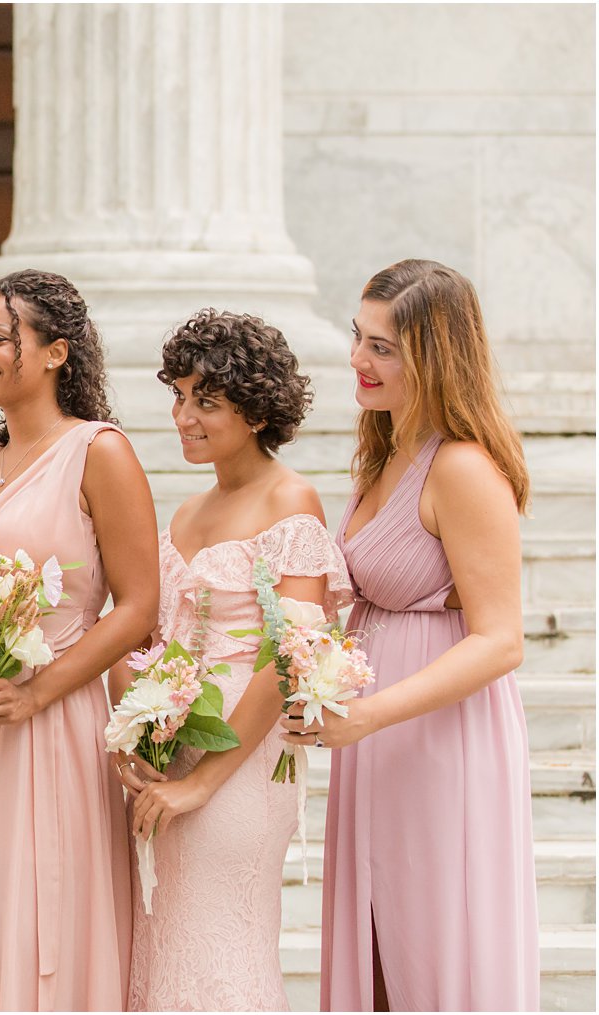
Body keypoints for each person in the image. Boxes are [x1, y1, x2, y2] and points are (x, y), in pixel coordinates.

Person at [284, 259, 539, 1011]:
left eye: (384, 348)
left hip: (439, 738)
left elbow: (501, 640)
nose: (359, 361)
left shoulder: (460, 468)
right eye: (358, 338)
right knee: (381, 942)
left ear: (436, 354)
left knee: (431, 944)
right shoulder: (384, 451)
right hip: (377, 739)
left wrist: (367, 713)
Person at [0, 269, 159, 1010]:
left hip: (50, 716)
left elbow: (139, 604)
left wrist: (36, 691)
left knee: (37, 914)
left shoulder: (99, 451)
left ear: (56, 353)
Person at [113, 309, 352, 1009]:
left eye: (206, 401)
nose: (184, 416)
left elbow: (288, 658)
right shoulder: (185, 513)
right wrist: (129, 733)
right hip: (173, 752)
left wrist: (202, 784)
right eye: (179, 396)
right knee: (167, 943)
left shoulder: (290, 500)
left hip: (241, 766)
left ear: (255, 412)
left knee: (224, 945)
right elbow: (144, 640)